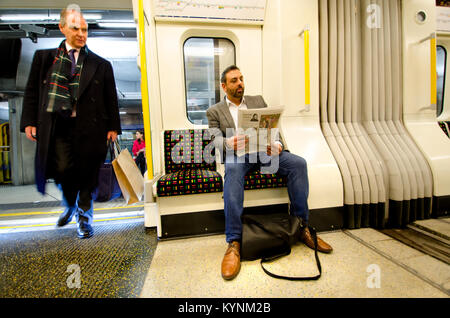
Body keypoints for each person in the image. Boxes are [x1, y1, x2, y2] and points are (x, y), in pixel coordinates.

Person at [206, 65, 333, 280]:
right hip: (239, 156)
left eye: (242, 79)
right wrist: (228, 142)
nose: (240, 84)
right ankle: (234, 241)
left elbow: (273, 129)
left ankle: (302, 227)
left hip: (264, 152)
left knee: (298, 163)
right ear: (224, 86)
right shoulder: (214, 111)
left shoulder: (257, 101)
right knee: (234, 168)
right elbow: (213, 139)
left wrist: (277, 144)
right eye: (234, 80)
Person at [20, 5, 121, 239]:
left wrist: (113, 126)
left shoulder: (101, 64)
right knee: (62, 170)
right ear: (62, 28)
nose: (81, 34)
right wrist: (29, 121)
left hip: (91, 128)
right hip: (57, 126)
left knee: (87, 174)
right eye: (75, 28)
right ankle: (70, 203)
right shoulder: (44, 59)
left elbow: (110, 98)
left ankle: (84, 218)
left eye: (85, 29)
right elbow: (33, 91)